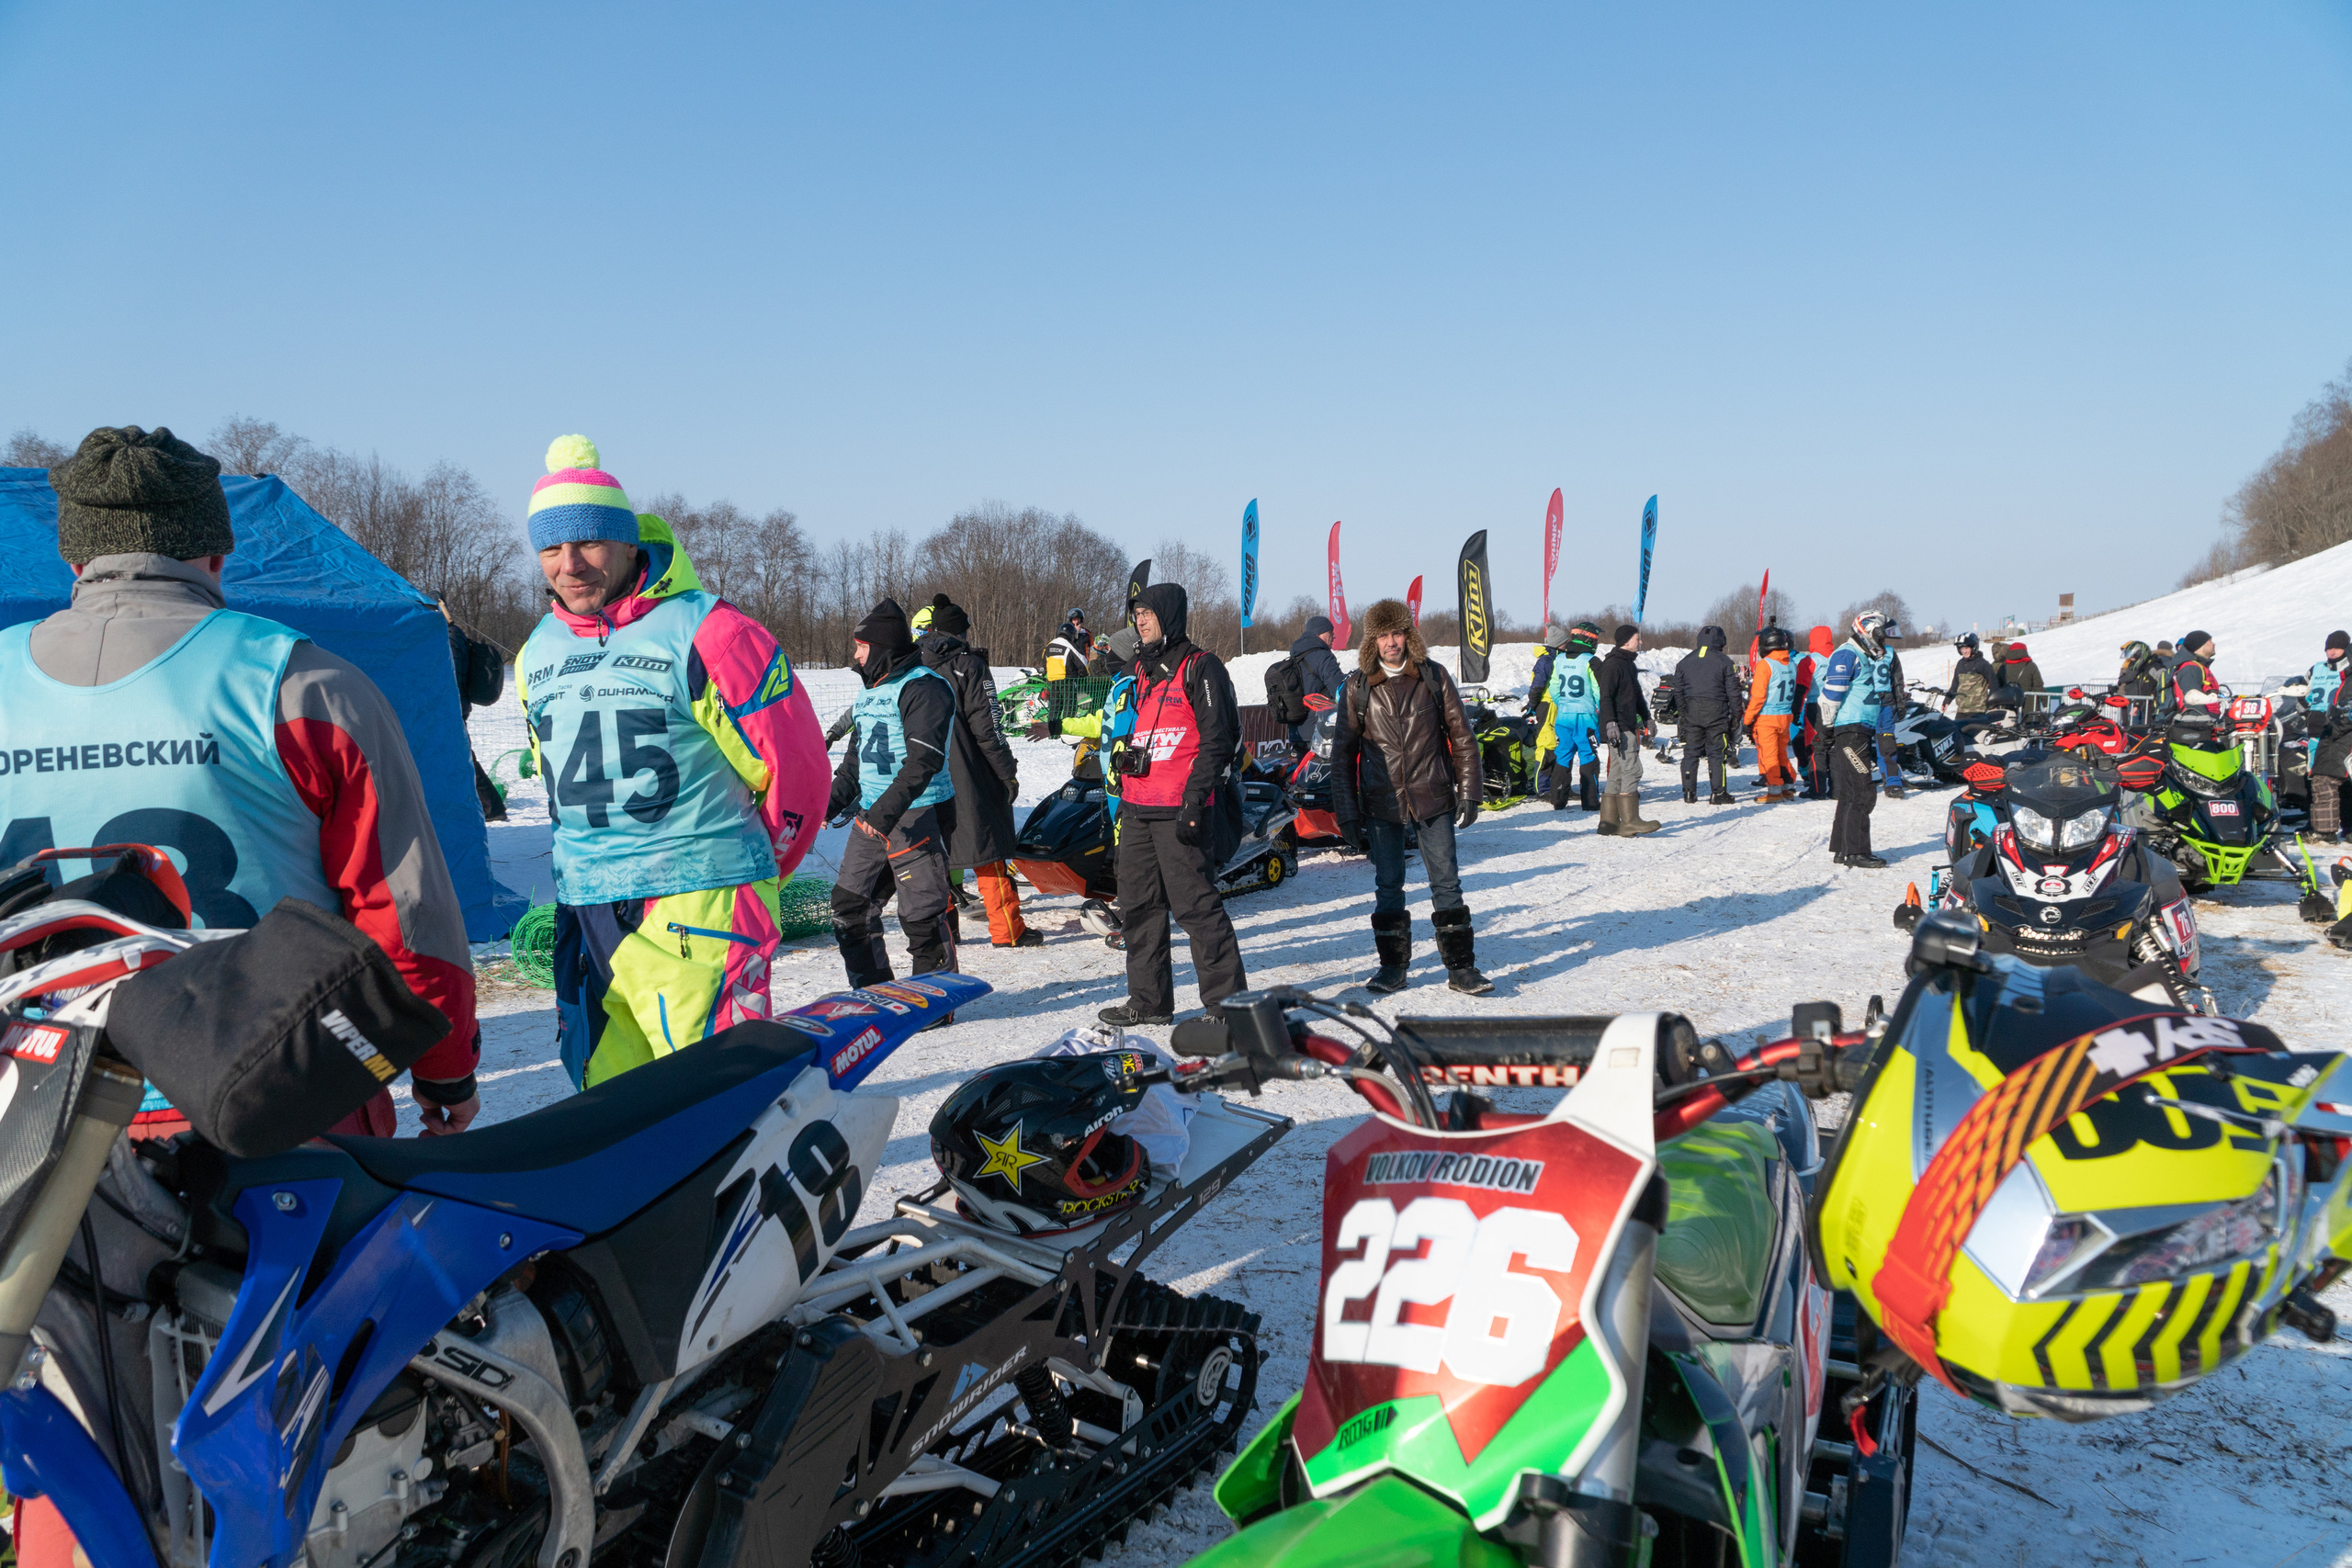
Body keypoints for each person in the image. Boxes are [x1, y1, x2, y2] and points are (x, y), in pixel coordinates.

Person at [3, 425, 482, 1134]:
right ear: (218, 553)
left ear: (73, 558)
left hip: (36, 1118)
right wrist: (445, 1069)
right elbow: (404, 918)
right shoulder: (301, 682)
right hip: (274, 1104)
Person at [517, 437, 830, 1087]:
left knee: (719, 1102)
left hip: (699, 903)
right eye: (551, 548)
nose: (570, 564)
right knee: (609, 1113)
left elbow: (796, 766)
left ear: (629, 542)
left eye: (590, 543)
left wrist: (758, 871)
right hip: (588, 910)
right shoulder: (535, 652)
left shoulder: (712, 631)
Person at [1099, 582, 1249, 1026]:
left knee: (1196, 908)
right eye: (1136, 614)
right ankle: (1148, 1002)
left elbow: (1218, 741)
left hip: (1179, 807)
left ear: (1169, 616)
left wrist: (1195, 801)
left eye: (1147, 613)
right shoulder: (1142, 672)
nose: (1139, 621)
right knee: (1139, 908)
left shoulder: (1202, 667)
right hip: (1138, 805)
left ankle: (1227, 1008)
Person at [1333, 598, 1489, 996]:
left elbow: (1463, 739)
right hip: (1382, 802)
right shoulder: (1357, 687)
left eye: (1397, 632)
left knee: (1447, 883)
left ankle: (1461, 968)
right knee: (1388, 886)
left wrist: (1469, 791)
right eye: (1383, 635)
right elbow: (1342, 755)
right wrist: (1347, 814)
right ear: (1373, 641)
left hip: (1432, 796)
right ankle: (1392, 968)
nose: (1391, 642)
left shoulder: (1433, 677)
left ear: (1409, 635)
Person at [825, 598, 961, 996]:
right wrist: (824, 805)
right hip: (873, 816)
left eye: (861, 647)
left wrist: (882, 815)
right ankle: (873, 992)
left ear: (880, 648)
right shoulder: (869, 694)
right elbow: (854, 764)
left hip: (919, 814)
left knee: (920, 914)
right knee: (849, 906)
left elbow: (924, 761)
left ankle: (935, 999)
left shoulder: (925, 688)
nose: (855, 655)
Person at [920, 593, 1038, 949]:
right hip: (966, 773)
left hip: (921, 775)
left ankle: (945, 933)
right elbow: (990, 728)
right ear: (960, 633)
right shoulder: (968, 665)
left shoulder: (910, 664)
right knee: (988, 852)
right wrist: (1007, 772)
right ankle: (1007, 931)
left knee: (933, 856)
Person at [1814, 610, 1895, 868]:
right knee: (1863, 790)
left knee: (1850, 790)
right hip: (1850, 730)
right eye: (1880, 636)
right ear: (1867, 632)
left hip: (1859, 729)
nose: (1883, 642)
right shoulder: (1847, 653)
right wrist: (1825, 731)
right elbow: (1830, 696)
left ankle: (1842, 848)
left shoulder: (1862, 655)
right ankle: (1857, 852)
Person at [438, 595, 510, 821]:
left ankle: (492, 808)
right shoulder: (455, 636)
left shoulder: (448, 639)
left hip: (452, 708)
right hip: (456, 706)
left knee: (464, 758)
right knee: (463, 757)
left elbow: (449, 675)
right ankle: (489, 807)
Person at [1595, 625, 1660, 836]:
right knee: (1633, 770)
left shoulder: (1628, 665)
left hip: (1627, 724)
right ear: (1626, 641)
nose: (1640, 642)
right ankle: (1630, 821)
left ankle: (1609, 822)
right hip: (1620, 728)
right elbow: (1605, 698)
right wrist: (1610, 723)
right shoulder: (1613, 665)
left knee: (1617, 771)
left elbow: (1638, 696)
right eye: (1636, 638)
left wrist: (1648, 718)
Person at [1671, 625, 1743, 805]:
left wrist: (1683, 713)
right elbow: (1734, 693)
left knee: (1691, 752)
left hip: (1692, 711)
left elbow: (1678, 691)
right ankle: (1718, 794)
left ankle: (1689, 793)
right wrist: (1736, 716)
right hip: (1716, 712)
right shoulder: (1725, 662)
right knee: (1717, 753)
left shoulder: (1684, 662)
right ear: (1721, 641)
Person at [1542, 621, 1603, 811]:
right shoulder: (1591, 661)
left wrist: (1564, 704)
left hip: (1564, 716)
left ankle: (1558, 799)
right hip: (1585, 717)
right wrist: (1600, 709)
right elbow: (1599, 691)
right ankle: (1590, 802)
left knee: (1563, 755)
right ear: (1590, 640)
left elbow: (1554, 688)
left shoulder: (1558, 660)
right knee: (1588, 756)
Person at [1744, 626, 1799, 802]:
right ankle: (1788, 787)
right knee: (1781, 753)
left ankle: (1774, 791)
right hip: (1785, 716)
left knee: (1768, 755)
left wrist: (1747, 719)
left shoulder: (1765, 664)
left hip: (1767, 717)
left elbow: (1759, 696)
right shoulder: (1791, 663)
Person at [1284, 613, 1347, 755]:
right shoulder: (1323, 656)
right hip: (1320, 732)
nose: (1334, 636)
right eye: (1330, 632)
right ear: (1319, 635)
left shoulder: (1295, 655)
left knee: (1304, 775)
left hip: (1296, 732)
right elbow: (1340, 690)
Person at [2311, 636, 2352, 843]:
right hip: (2340, 738)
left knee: (2324, 780)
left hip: (2342, 740)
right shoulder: (2342, 679)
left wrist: (2328, 727)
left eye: (2338, 648)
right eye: (2330, 648)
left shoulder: (2349, 679)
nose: (2333, 653)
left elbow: (2348, 715)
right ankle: (2349, 829)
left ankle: (2324, 833)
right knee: (2345, 785)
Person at [1794, 625, 1836, 798]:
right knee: (1834, 748)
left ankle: (1816, 789)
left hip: (1815, 706)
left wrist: (1795, 712)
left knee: (1815, 747)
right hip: (1837, 705)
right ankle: (1837, 789)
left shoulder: (1809, 660)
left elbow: (1801, 688)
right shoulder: (1838, 657)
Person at [1874, 637, 1908, 799]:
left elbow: (1897, 680)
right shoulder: (1857, 650)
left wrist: (1900, 703)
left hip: (1884, 703)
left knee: (1887, 743)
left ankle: (1893, 782)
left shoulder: (1890, 652)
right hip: (1862, 705)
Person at [1946, 632, 1998, 717]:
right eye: (1962, 648)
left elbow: (1994, 684)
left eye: (1966, 648)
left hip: (1978, 710)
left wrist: (1993, 704)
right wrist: (1947, 700)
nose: (1964, 651)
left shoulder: (1982, 664)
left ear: (1974, 647)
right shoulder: (1960, 664)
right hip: (1962, 710)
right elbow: (1955, 684)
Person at [2170, 631, 2222, 714]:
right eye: (2210, 641)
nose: (2214, 644)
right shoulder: (2191, 668)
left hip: (2209, 718)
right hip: (2199, 721)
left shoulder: (2199, 667)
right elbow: (2193, 701)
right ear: (2200, 645)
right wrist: (2206, 721)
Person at [1046, 607, 1091, 680]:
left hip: (1083, 661)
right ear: (1071, 620)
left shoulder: (1086, 633)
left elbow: (1091, 647)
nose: (1077, 622)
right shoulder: (1067, 631)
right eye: (1075, 619)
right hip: (1070, 663)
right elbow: (1067, 644)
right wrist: (1076, 633)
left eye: (1078, 619)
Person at [1999, 639, 2043, 708]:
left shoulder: (2003, 667)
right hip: (2030, 708)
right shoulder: (2031, 666)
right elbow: (2039, 687)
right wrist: (2046, 704)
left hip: (2009, 707)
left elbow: (1997, 686)